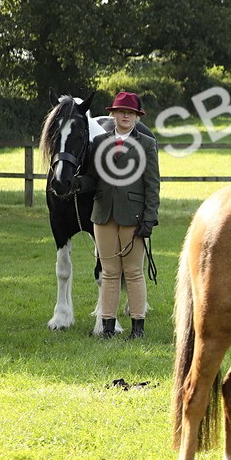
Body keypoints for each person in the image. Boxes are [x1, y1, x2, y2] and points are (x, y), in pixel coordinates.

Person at [72, 91, 160, 339]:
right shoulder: (99, 144)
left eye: (130, 113)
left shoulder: (146, 144)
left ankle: (137, 327)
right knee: (109, 272)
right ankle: (107, 327)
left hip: (133, 216)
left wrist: (149, 218)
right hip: (103, 214)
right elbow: (92, 178)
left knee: (133, 272)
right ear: (113, 114)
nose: (125, 116)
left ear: (136, 117)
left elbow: (152, 184)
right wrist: (77, 184)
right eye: (121, 111)